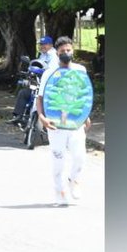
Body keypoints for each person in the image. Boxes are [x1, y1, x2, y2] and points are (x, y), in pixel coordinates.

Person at [36, 36, 91, 206]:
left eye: (68, 50)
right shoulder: (49, 73)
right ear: (57, 53)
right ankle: (59, 191)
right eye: (62, 51)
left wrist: (86, 115)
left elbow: (84, 95)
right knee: (58, 160)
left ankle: (74, 180)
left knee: (79, 157)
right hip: (55, 124)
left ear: (72, 50)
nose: (66, 53)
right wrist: (42, 117)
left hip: (75, 123)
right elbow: (40, 98)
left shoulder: (81, 70)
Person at [8, 35, 58, 125]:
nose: (42, 46)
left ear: (51, 45)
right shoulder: (42, 55)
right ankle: (19, 116)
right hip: (38, 82)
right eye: (41, 44)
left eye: (45, 44)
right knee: (24, 93)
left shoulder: (54, 56)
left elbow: (51, 71)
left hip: (49, 84)